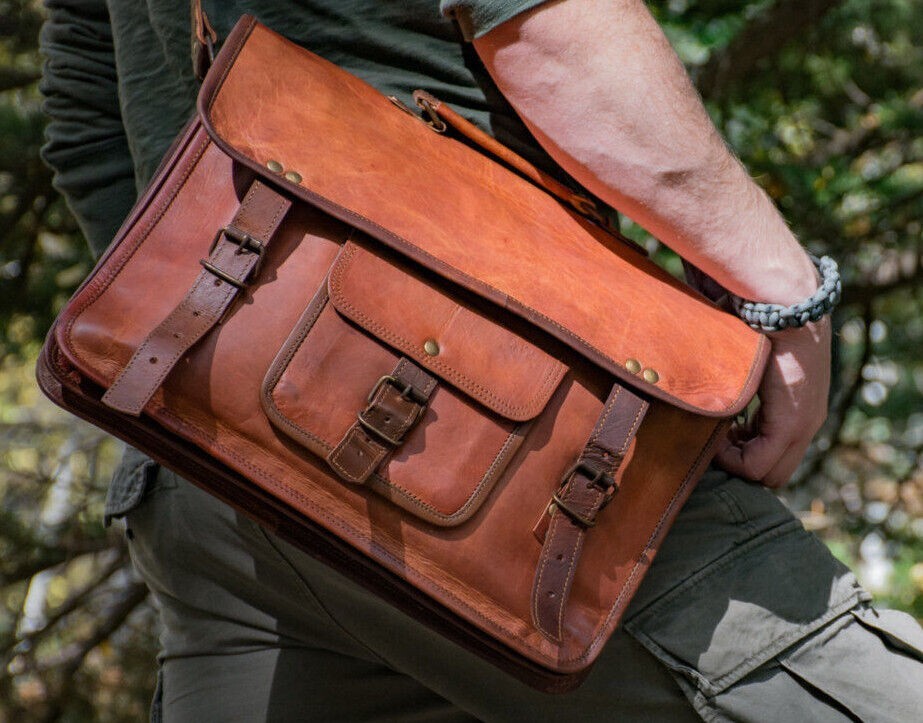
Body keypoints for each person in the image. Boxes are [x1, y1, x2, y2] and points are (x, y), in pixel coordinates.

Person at [40, 0, 923, 720]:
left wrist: (218, 334)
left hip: (211, 467)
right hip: (523, 447)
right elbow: (550, 37)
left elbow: (87, 116)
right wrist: (781, 288)